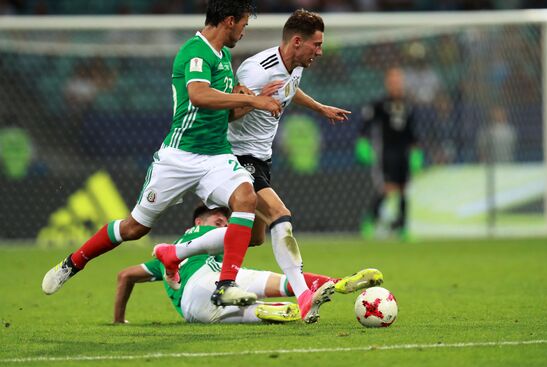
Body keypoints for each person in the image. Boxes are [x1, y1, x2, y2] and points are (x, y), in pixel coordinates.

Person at [42, 0, 283, 308]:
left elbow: (224, 114)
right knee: (134, 228)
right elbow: (198, 96)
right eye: (244, 25)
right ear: (230, 21)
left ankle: (226, 285)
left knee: (246, 199)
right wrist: (254, 102)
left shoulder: (223, 55)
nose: (244, 32)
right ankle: (73, 263)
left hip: (215, 156)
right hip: (179, 157)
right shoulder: (195, 52)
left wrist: (248, 102)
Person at [153, 9, 353, 323]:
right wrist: (255, 99)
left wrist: (319, 107)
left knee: (252, 238)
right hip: (236, 156)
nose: (320, 51)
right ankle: (302, 295)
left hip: (262, 159)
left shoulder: (294, 66)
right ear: (297, 42)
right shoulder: (255, 70)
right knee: (280, 214)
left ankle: (173, 253)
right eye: (316, 44)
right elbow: (227, 113)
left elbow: (289, 89)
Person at [115, 205, 384, 324]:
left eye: (225, 217)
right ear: (197, 222)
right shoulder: (205, 237)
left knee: (268, 295)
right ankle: (330, 285)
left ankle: (271, 310)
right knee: (276, 282)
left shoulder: (162, 260)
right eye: (216, 217)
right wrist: (254, 204)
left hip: (196, 305)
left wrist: (119, 320)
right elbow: (254, 238)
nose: (223, 220)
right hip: (208, 281)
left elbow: (125, 276)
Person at [356, 67, 422, 239]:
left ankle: (403, 228)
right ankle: (370, 219)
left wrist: (416, 151)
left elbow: (412, 132)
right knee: (387, 188)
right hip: (386, 153)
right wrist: (362, 143)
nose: (396, 84)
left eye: (399, 81)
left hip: (403, 154)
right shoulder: (379, 104)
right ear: (387, 83)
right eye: (393, 81)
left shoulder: (408, 106)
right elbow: (364, 125)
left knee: (404, 189)